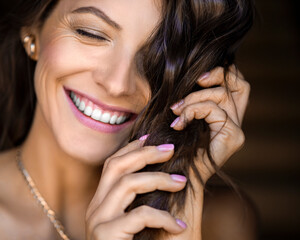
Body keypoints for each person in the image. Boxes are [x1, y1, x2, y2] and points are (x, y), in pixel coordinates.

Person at [0, 0, 255, 239]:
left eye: (159, 58)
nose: (117, 84)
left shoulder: (218, 222)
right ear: (33, 31)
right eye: (91, 33)